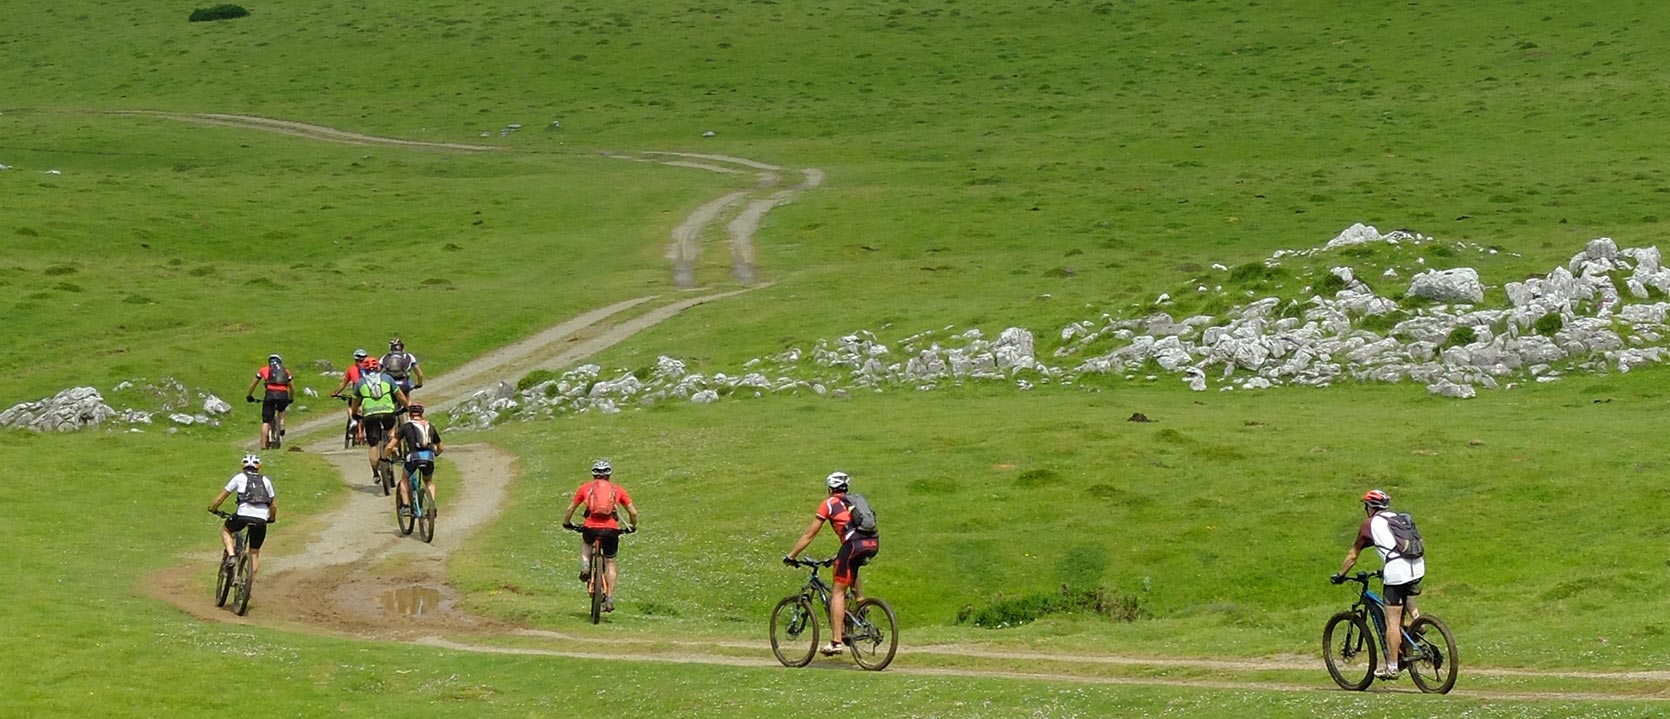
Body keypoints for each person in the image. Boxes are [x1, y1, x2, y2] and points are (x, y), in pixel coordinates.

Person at [784, 471, 880, 656]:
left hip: (852, 546)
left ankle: (836, 642)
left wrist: (792, 555)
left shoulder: (829, 503)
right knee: (852, 566)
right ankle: (861, 607)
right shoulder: (855, 501)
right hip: (873, 543)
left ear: (830, 488)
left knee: (837, 592)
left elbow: (809, 535)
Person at [1334, 489, 1426, 680]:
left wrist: (1340, 575)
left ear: (1370, 507)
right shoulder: (1397, 518)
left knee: (1391, 621)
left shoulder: (1370, 524)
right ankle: (1418, 622)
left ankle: (1392, 667)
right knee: (1405, 591)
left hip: (1397, 569)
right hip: (1417, 565)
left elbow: (1353, 555)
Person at [562, 460, 638, 613]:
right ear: (609, 475)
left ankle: (585, 564)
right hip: (611, 530)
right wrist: (632, 526)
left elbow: (571, 508)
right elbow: (633, 512)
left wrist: (567, 523)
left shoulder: (585, 488)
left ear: (594, 474)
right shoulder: (617, 490)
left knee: (586, 542)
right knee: (610, 562)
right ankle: (609, 598)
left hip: (590, 528)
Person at [208, 454, 277, 575]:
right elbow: (273, 505)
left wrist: (213, 508)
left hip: (242, 514)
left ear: (243, 466)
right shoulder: (266, 480)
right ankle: (247, 585)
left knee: (226, 530)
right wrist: (271, 518)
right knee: (254, 552)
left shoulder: (239, 477)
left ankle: (231, 555)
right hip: (261, 519)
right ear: (258, 467)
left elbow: (220, 498)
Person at [350, 357, 408, 483]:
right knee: (391, 429)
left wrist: (354, 413)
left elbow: (355, 402)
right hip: (387, 412)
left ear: (364, 368)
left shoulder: (360, 382)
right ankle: (392, 447)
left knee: (372, 444)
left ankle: (375, 472)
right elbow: (399, 395)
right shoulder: (387, 378)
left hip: (370, 415)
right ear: (378, 367)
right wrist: (407, 406)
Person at [383, 402, 443, 517]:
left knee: (404, 478)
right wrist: (435, 454)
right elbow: (441, 447)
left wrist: (384, 457)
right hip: (429, 457)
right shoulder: (430, 426)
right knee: (428, 481)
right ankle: (432, 506)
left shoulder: (406, 426)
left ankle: (405, 506)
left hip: (413, 457)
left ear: (410, 413)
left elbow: (390, 446)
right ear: (422, 413)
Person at [244, 353, 293, 449]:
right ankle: (282, 425)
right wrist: (291, 398)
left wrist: (249, 395)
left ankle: (263, 446)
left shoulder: (264, 370)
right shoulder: (286, 371)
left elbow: (253, 385)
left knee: (266, 421)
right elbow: (292, 388)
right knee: (281, 409)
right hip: (283, 394)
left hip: (270, 394)